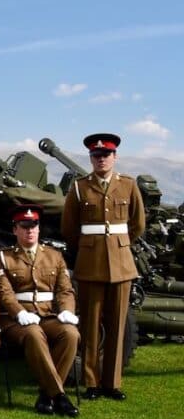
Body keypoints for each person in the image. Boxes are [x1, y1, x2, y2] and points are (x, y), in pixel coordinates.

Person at [60, 133, 145, 401]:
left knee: (117, 323)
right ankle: (92, 382)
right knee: (90, 324)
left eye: (106, 155)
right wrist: (87, 248)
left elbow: (137, 224)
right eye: (96, 156)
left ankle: (113, 383)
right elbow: (69, 228)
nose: (101, 159)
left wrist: (120, 245)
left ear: (114, 157)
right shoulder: (79, 187)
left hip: (121, 264)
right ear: (91, 159)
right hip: (90, 262)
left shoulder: (128, 186)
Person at [0, 205, 80, 416]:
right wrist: (19, 313)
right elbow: (4, 293)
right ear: (15, 230)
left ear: (39, 228)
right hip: (16, 319)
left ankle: (46, 394)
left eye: (34, 225)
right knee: (34, 334)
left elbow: (65, 290)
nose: (29, 230)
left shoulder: (54, 256)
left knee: (71, 334)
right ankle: (60, 396)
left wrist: (67, 310)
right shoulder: (4, 257)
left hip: (47, 314)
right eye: (24, 226)